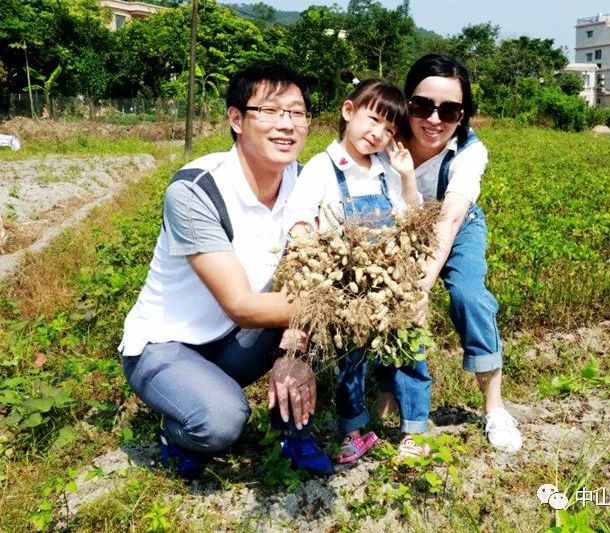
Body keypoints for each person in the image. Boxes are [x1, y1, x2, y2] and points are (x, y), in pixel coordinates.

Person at [118, 61, 332, 479]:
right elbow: (240, 304)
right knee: (221, 421)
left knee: (328, 322)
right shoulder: (197, 190)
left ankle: (291, 432)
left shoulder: (309, 185)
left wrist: (297, 349)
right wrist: (330, 307)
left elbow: (310, 278)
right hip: (168, 344)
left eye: (297, 112)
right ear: (236, 119)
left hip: (238, 341)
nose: (286, 125)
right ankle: (178, 430)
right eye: (270, 111)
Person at [283, 78, 432, 463]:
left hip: (389, 283)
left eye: (389, 129)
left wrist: (407, 174)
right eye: (372, 120)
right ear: (348, 112)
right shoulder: (321, 166)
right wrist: (308, 256)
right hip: (345, 284)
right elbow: (300, 217)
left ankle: (413, 431)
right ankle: (352, 431)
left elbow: (411, 217)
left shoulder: (385, 169)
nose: (378, 134)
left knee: (407, 353)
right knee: (350, 360)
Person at [384, 54, 523, 452]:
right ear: (405, 102)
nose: (433, 119)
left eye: (449, 110)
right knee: (386, 299)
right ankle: (387, 399)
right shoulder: (386, 137)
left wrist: (423, 286)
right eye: (422, 105)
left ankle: (494, 406)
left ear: (463, 115)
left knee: (468, 295)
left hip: (455, 222)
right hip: (401, 221)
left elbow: (448, 221)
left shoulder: (469, 152)